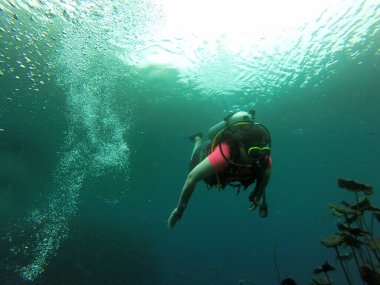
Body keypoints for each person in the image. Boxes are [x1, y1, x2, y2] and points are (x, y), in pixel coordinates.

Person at [168, 110, 272, 229]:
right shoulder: (225, 154)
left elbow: (266, 173)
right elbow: (192, 177)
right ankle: (197, 139)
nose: (259, 157)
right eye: (253, 152)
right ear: (241, 148)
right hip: (204, 153)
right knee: (192, 160)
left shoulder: (264, 157)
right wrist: (179, 209)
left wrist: (258, 196)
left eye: (263, 150)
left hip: (228, 169)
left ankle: (199, 139)